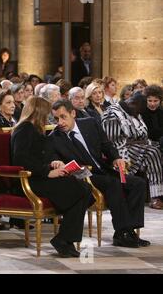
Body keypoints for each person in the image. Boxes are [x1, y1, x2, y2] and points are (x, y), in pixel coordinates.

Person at [50, 100, 149, 248]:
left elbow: (106, 145)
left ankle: (129, 231)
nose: (60, 122)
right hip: (83, 175)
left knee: (138, 184)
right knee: (112, 183)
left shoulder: (90, 123)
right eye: (56, 119)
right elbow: (52, 157)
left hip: (103, 169)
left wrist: (115, 158)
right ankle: (122, 232)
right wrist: (56, 162)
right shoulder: (54, 137)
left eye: (63, 117)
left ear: (73, 113)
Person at [10, 96, 92, 258]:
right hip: (29, 180)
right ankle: (64, 240)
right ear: (39, 112)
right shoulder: (24, 128)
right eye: (47, 113)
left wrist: (53, 163)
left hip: (39, 176)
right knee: (82, 190)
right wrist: (47, 171)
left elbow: (38, 156)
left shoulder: (34, 128)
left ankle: (64, 239)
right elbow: (21, 160)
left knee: (84, 189)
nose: (49, 117)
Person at [102, 93, 163, 209]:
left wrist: (149, 144)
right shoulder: (112, 114)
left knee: (155, 151)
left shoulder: (133, 111)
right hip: (119, 151)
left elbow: (143, 135)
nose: (139, 114)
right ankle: (151, 196)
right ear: (132, 104)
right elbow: (113, 143)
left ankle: (156, 196)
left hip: (137, 146)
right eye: (138, 111)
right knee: (152, 152)